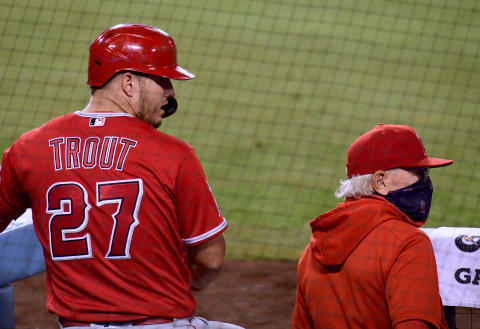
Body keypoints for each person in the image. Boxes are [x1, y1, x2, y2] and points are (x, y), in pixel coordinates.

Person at [0, 23, 243, 329]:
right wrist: (189, 283)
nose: (170, 94)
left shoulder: (27, 148)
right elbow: (211, 259)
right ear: (129, 83)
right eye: (162, 79)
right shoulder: (173, 154)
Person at [292, 123, 452, 329]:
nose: (425, 181)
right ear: (380, 182)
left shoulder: (312, 251)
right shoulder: (407, 243)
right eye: (418, 172)